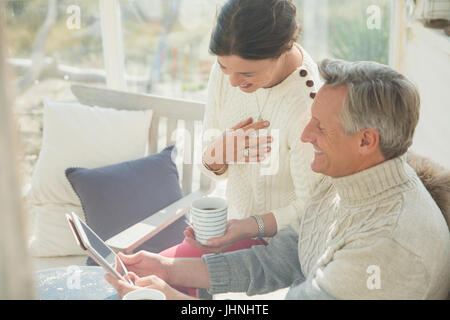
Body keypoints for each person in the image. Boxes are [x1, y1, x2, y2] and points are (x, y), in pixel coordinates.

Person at [106, 59, 450, 299]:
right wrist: (169, 269)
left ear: (366, 141)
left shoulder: (387, 245)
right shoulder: (344, 178)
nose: (304, 135)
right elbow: (285, 256)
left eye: (321, 126)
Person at [157, 0, 322, 295]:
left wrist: (248, 227)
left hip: (275, 248)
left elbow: (310, 210)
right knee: (140, 276)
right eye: (223, 67)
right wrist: (219, 152)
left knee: (156, 281)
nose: (232, 81)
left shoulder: (306, 106)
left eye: (247, 75)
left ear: (283, 49)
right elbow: (214, 167)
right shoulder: (231, 65)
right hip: (231, 226)